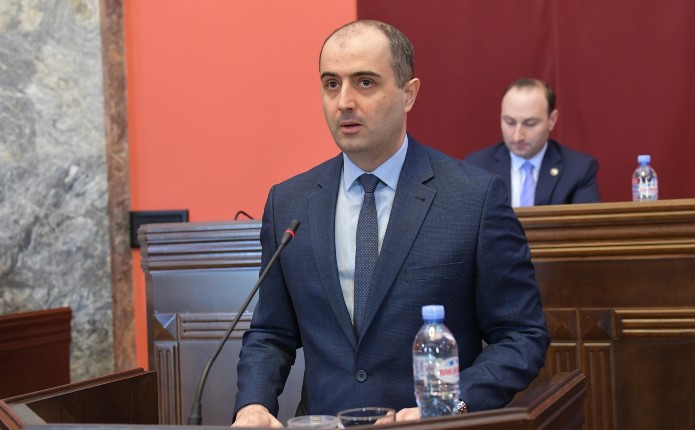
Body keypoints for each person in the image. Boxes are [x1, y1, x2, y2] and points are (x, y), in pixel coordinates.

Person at [232, 20, 549, 428]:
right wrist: (253, 405)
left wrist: (450, 405)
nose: (344, 101)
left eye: (365, 82)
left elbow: (521, 337)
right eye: (331, 84)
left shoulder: (473, 198)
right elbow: (271, 333)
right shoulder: (289, 202)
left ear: (408, 93)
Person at [464, 78, 601, 206]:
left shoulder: (578, 169)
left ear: (552, 120)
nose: (518, 136)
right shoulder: (477, 167)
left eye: (530, 123)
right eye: (510, 122)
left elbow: (588, 223)